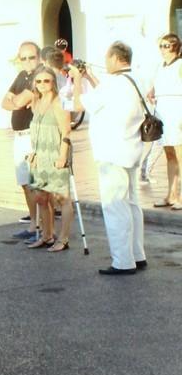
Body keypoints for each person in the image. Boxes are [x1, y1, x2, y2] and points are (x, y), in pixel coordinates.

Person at [70, 41, 147, 275]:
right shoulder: (135, 80)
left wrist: (76, 81)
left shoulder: (112, 85)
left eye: (106, 58)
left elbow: (77, 104)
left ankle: (123, 261)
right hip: (132, 149)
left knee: (115, 206)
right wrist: (90, 77)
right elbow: (104, 97)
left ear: (114, 58)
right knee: (132, 204)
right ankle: (137, 254)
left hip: (112, 152)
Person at [25, 66, 72, 251]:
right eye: (39, 81)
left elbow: (66, 130)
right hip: (39, 156)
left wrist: (62, 156)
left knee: (62, 198)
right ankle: (47, 235)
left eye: (47, 81)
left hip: (55, 154)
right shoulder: (37, 101)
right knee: (41, 198)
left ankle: (64, 238)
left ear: (53, 82)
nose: (42, 85)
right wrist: (33, 151)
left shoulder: (59, 102)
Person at [2, 41, 42, 240]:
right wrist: (15, 103)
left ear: (39, 57)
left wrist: (16, 102)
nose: (27, 62)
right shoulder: (21, 76)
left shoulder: (39, 77)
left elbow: (18, 101)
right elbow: (5, 101)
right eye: (23, 58)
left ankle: (42, 225)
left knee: (36, 183)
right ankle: (33, 224)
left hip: (31, 135)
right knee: (24, 182)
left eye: (31, 57)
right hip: (18, 136)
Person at [148, 33, 182, 209]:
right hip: (163, 110)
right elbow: (155, 85)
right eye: (161, 46)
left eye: (166, 46)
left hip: (177, 110)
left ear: (175, 47)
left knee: (180, 154)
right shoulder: (160, 66)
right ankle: (171, 194)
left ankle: (181, 197)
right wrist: (152, 91)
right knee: (169, 154)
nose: (162, 49)